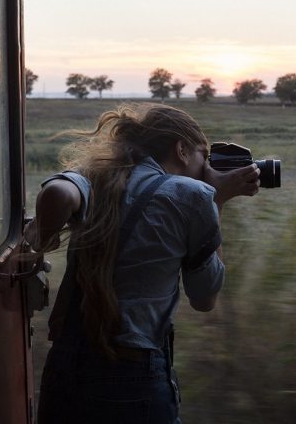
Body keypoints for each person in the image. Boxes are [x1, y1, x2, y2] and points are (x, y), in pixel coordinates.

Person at [25, 103, 260, 423]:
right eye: (203, 157)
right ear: (181, 149)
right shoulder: (194, 195)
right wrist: (216, 199)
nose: (206, 168)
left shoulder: (97, 176)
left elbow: (58, 193)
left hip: (64, 370)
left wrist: (41, 236)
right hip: (132, 375)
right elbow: (205, 298)